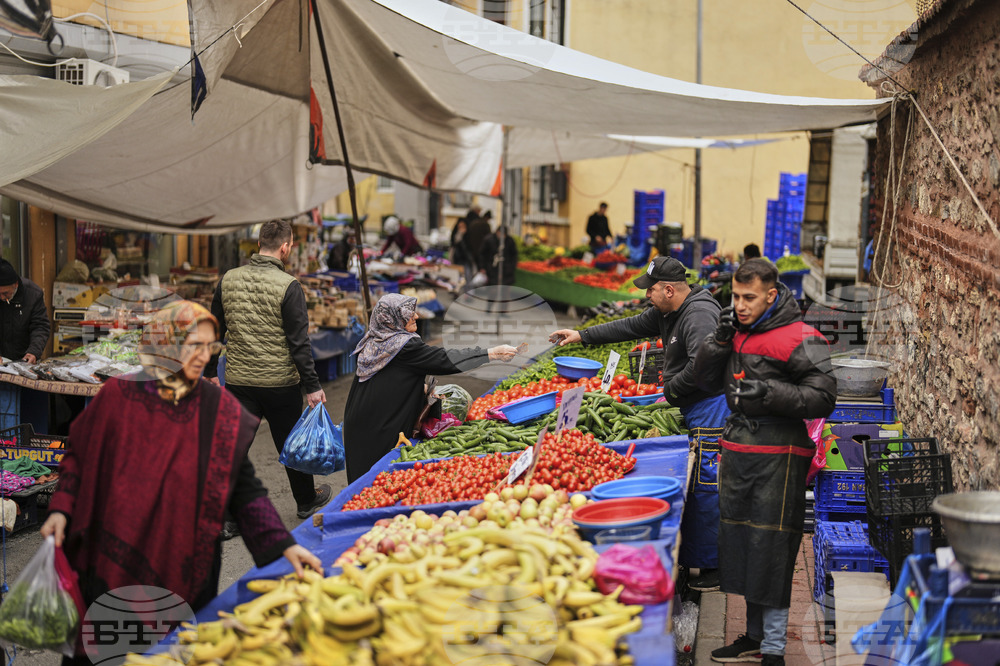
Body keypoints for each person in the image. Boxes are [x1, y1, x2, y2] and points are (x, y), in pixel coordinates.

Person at [40, 301, 321, 662]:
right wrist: (62, 509)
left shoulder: (217, 407)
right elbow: (80, 456)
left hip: (183, 559)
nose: (204, 356)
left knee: (172, 653)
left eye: (210, 346)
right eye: (194, 345)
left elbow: (244, 489)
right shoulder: (118, 397)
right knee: (106, 649)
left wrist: (283, 545)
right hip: (113, 554)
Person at [548, 256, 728, 589]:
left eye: (651, 290)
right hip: (697, 405)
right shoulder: (669, 311)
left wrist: (671, 388)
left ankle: (714, 567)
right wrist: (581, 335)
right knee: (702, 480)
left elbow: (705, 367)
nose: (647, 296)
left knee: (706, 483)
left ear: (669, 290)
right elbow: (629, 326)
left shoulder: (699, 316)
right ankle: (700, 559)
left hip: (711, 407)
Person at [693, 258, 836, 666]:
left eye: (749, 297)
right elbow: (703, 382)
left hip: (781, 454)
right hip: (739, 449)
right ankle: (753, 636)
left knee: (771, 546)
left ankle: (773, 648)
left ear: (771, 295)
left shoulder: (803, 337)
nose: (739, 305)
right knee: (740, 543)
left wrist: (770, 392)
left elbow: (825, 398)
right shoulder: (733, 331)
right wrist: (717, 342)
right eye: (735, 297)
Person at [207, 220, 331, 538]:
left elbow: (211, 329)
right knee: (292, 444)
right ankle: (305, 501)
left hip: (238, 382)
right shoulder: (288, 286)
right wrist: (313, 386)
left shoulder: (228, 279)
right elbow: (298, 343)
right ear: (285, 247)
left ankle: (229, 519)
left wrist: (209, 371)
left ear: (258, 243)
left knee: (234, 449)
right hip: (279, 385)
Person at [343, 293, 517, 483]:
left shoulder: (376, 339)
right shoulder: (404, 346)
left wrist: (419, 385)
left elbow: (392, 374)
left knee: (365, 477)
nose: (416, 316)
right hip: (380, 423)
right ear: (392, 318)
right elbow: (445, 359)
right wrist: (490, 353)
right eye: (408, 313)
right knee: (376, 479)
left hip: (359, 419)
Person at [0, 259, 50, 364]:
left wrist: (33, 352)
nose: (2, 297)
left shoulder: (33, 294)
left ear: (16, 284)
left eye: (6, 293)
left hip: (23, 358)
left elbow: (40, 326)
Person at [449, 219, 476, 288]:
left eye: (463, 226)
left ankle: (468, 294)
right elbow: (453, 245)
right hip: (457, 259)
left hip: (466, 259)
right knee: (457, 277)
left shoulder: (469, 236)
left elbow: (468, 248)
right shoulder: (456, 235)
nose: (461, 229)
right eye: (459, 227)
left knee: (467, 277)